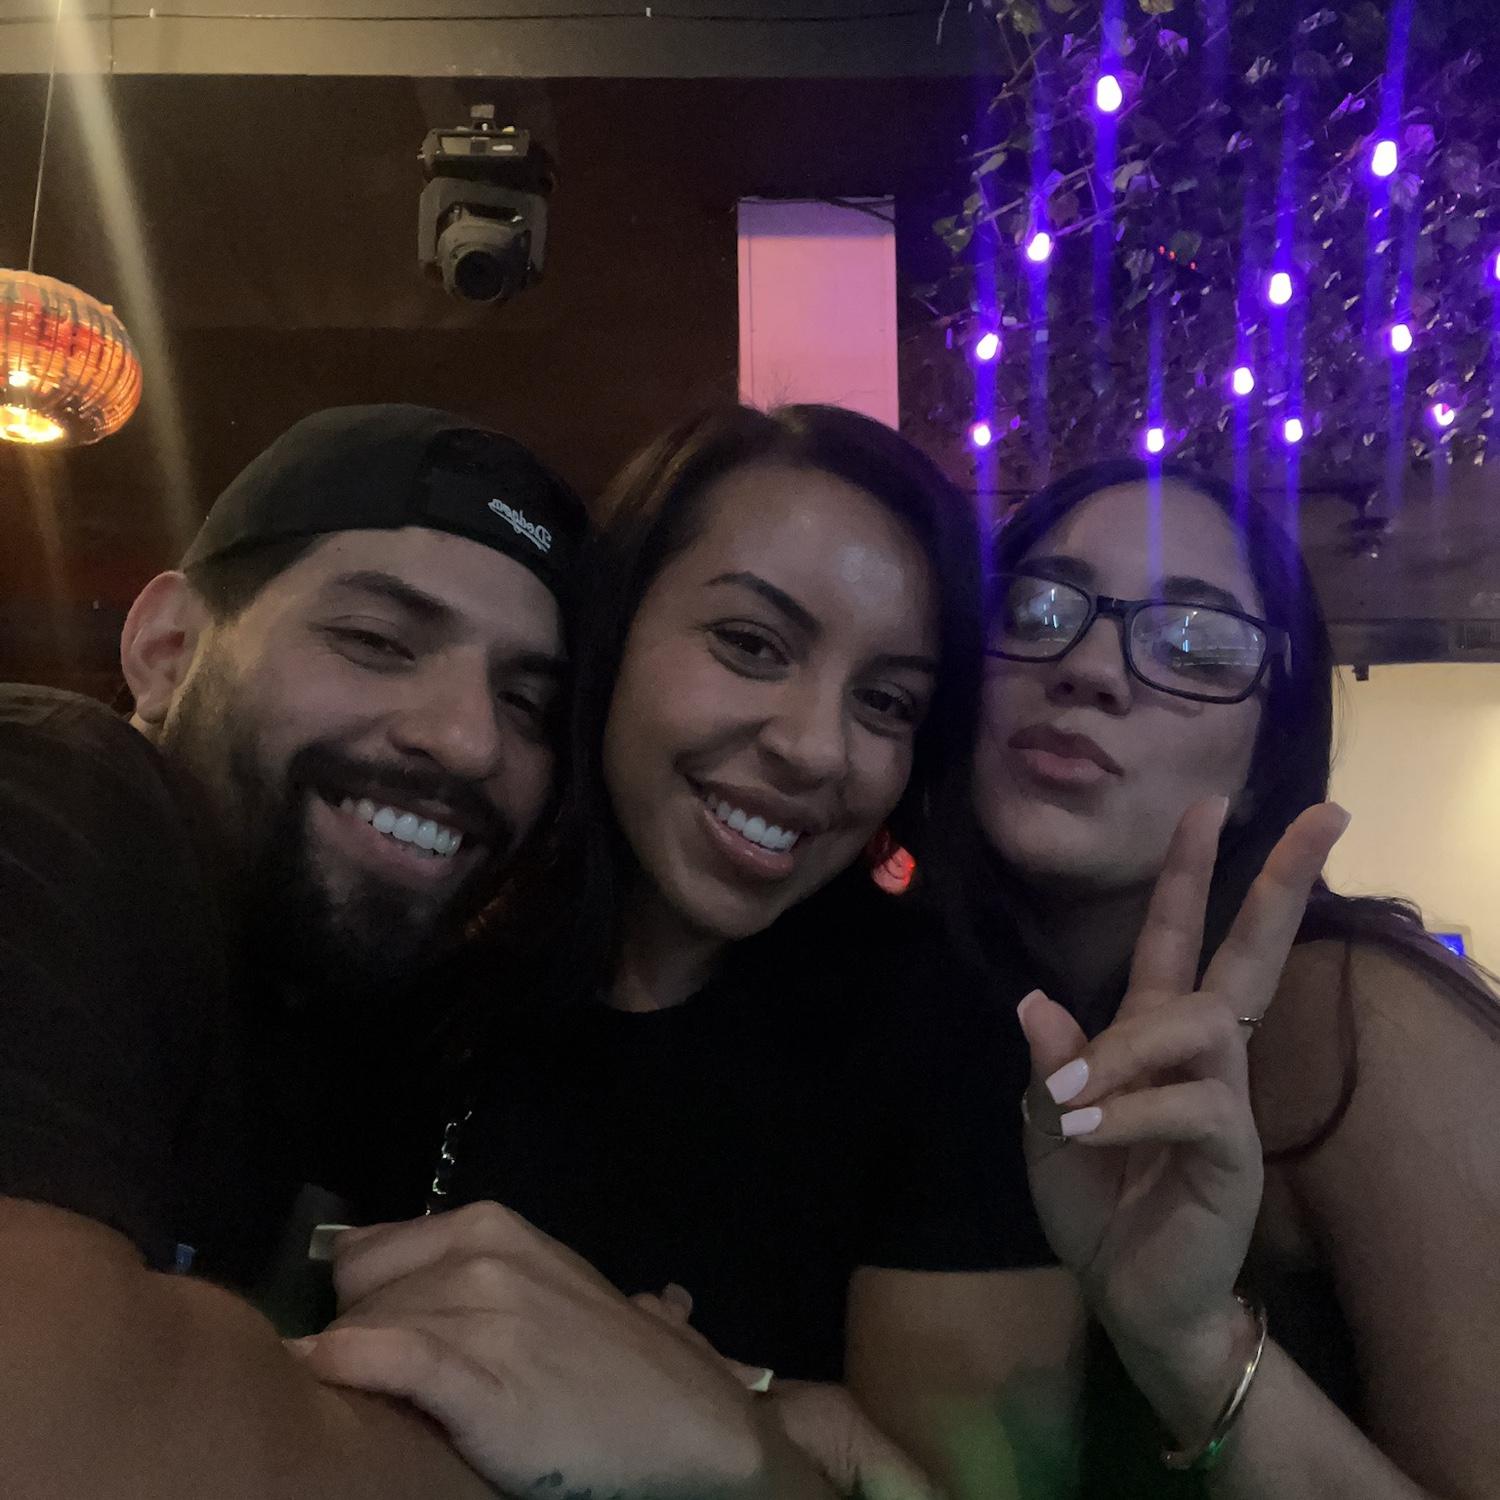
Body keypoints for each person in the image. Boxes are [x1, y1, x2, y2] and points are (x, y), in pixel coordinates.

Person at [0, 403, 839, 1500]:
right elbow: (48, 1430)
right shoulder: (55, 796)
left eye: (527, 702)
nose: (467, 739)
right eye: (377, 642)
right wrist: (662, 1451)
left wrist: (733, 1407)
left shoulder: (365, 1014)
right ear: (167, 650)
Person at [292, 402, 1049, 1497]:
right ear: (612, 634)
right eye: (751, 644)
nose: (817, 749)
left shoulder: (954, 1043)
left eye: (886, 702)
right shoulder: (429, 965)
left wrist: (723, 1434)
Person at [920, 458, 1500, 1497]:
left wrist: (1193, 1345)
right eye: (1039, 607)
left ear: (1262, 766)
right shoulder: (932, 1009)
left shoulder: (1352, 1022)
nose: (1090, 667)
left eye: (1196, 644)